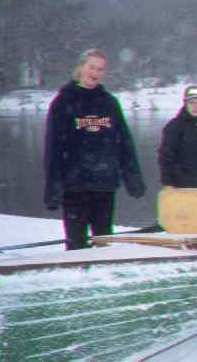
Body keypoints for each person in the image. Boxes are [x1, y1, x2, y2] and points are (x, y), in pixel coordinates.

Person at [43, 48, 146, 250]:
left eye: (100, 69)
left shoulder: (109, 103)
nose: (95, 73)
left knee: (103, 245)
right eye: (92, 67)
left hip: (104, 186)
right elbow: (53, 149)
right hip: (74, 187)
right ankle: (77, 276)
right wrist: (52, 189)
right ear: (80, 68)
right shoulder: (63, 102)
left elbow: (124, 143)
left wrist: (132, 178)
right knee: (76, 247)